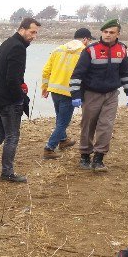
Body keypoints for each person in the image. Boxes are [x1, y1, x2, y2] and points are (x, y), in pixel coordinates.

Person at [0, 17, 41, 183]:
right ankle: (7, 172)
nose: (34, 36)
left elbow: (7, 75)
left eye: (36, 33)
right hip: (8, 100)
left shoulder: (6, 43)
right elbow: (12, 79)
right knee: (12, 136)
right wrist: (20, 97)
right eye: (32, 32)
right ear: (22, 29)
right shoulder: (18, 48)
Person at [70, 19, 128, 171]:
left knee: (106, 126)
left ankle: (98, 159)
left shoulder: (122, 50)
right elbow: (77, 74)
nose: (107, 35)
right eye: (105, 32)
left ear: (118, 34)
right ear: (101, 33)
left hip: (111, 95)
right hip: (91, 94)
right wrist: (75, 95)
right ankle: (85, 155)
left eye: (111, 32)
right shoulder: (91, 50)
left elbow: (125, 73)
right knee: (88, 125)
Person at [40, 28, 94, 159]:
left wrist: (45, 87)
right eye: (89, 40)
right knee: (63, 122)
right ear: (85, 39)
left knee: (60, 118)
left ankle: (63, 140)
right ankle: (49, 148)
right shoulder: (85, 52)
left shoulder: (58, 49)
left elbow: (46, 70)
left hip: (55, 90)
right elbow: (87, 73)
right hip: (71, 92)